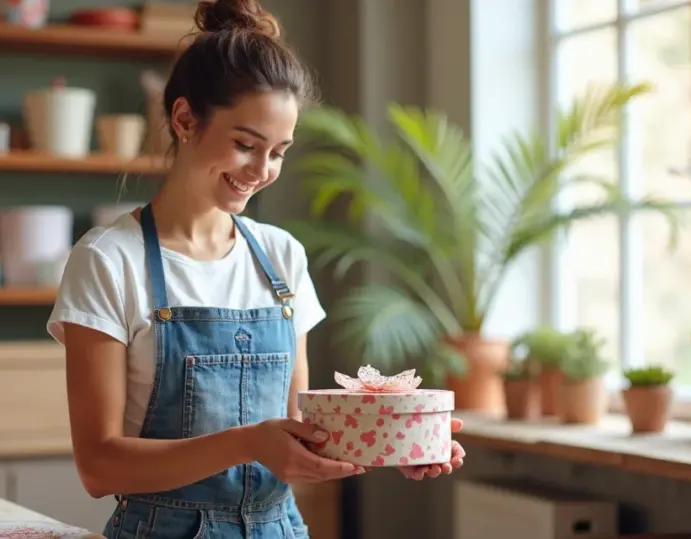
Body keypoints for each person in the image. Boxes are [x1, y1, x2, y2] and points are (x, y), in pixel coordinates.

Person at [46, 0, 466, 536]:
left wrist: (397, 440)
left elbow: (304, 434)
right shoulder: (108, 260)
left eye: (279, 152)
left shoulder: (281, 255)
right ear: (183, 119)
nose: (261, 171)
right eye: (246, 145)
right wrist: (246, 443)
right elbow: (99, 467)